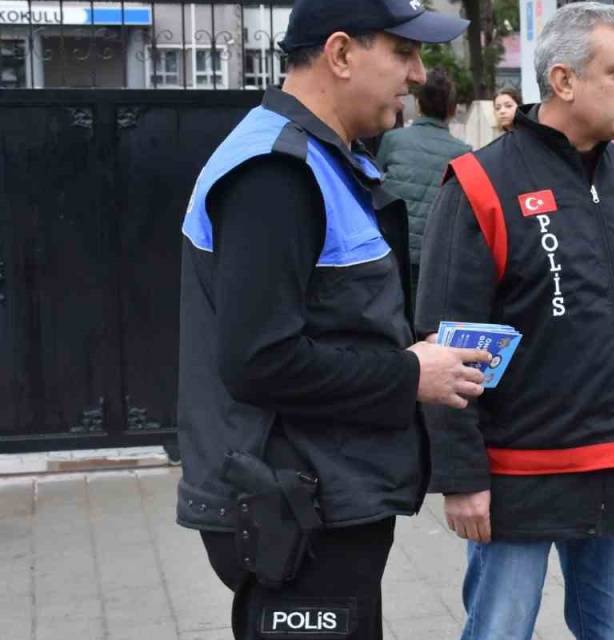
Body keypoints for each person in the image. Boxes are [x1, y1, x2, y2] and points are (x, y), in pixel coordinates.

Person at [174, 1, 490, 638]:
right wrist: (409, 374)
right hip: (294, 500)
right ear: (341, 54)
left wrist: (411, 350)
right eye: (403, 52)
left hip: (322, 493)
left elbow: (327, 321)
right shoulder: (276, 173)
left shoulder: (327, 158)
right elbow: (260, 361)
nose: (419, 74)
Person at [414, 3, 614, 639]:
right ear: (563, 81)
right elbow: (445, 341)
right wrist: (461, 477)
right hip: (518, 479)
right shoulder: (480, 182)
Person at [378, 68, 472, 292]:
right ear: (451, 109)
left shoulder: (393, 140)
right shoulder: (463, 152)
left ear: (418, 104)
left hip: (392, 248)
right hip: (435, 255)